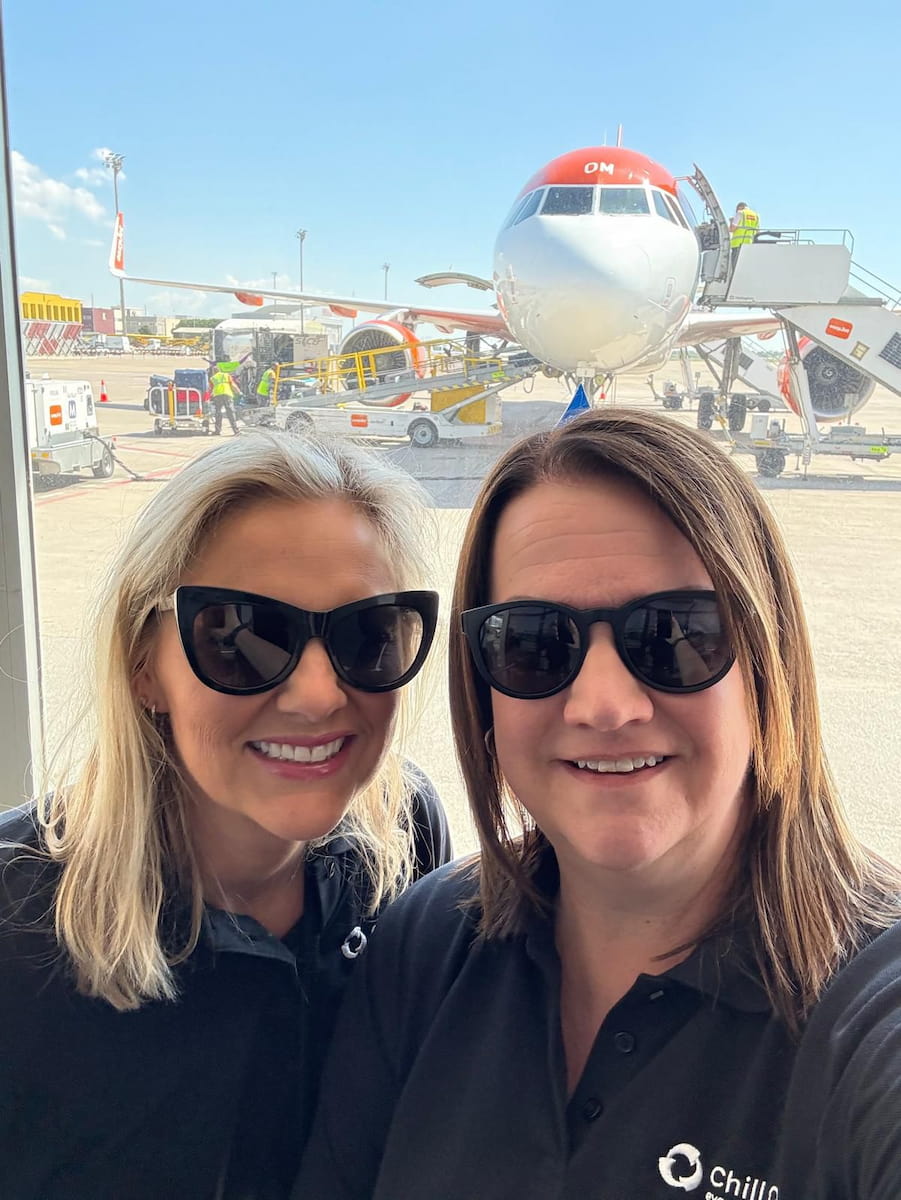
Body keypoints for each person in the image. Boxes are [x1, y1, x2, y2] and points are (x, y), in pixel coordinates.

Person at [295, 408, 901, 1199]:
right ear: (482, 689)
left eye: (677, 635)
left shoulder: (868, 1027)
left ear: (767, 660)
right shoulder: (426, 946)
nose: (604, 705)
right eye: (532, 643)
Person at [0, 431, 451, 1200]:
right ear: (146, 666)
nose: (317, 695)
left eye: (368, 636)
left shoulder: (403, 836)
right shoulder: (16, 916)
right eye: (242, 636)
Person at [210, 363, 241, 434]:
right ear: (220, 370)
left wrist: (210, 397)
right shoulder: (226, 375)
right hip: (227, 395)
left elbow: (211, 389)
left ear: (213, 372)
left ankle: (217, 431)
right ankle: (235, 430)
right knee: (230, 412)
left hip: (217, 396)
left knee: (218, 412)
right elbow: (233, 385)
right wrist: (239, 392)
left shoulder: (212, 378)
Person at [730, 200, 760, 269]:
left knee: (736, 268)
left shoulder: (740, 213)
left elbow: (732, 229)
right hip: (749, 244)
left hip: (737, 244)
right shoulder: (756, 216)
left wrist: (731, 221)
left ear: (739, 208)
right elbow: (757, 232)